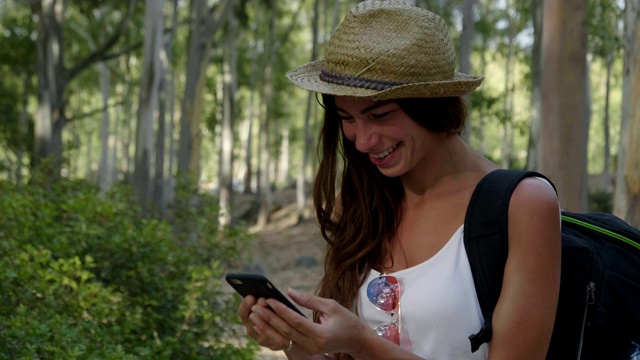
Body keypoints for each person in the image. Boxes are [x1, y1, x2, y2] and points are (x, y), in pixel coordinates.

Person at [238, 1, 561, 359]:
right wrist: (292, 340)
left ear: (433, 104)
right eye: (347, 118)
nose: (362, 142)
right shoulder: (361, 203)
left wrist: (363, 343)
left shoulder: (522, 205)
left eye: (379, 115)